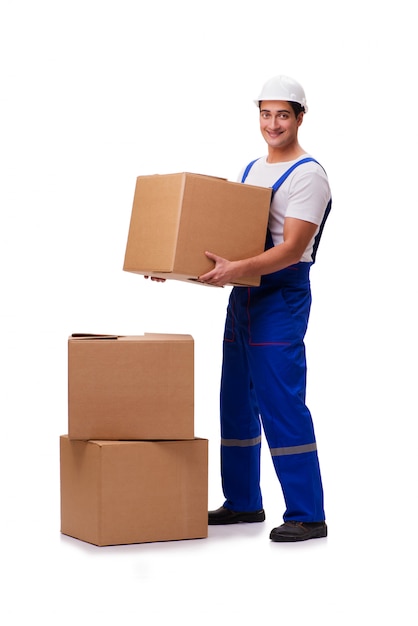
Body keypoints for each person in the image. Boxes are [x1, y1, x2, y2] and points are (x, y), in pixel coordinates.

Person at [198, 75, 332, 542]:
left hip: (281, 296)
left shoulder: (308, 175)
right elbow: (233, 239)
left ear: (299, 117)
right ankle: (242, 503)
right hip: (245, 296)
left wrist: (237, 268)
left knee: (281, 403)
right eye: (265, 113)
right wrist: (173, 265)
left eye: (282, 114)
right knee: (234, 400)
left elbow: (291, 248)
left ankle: (307, 513)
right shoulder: (253, 168)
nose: (273, 123)